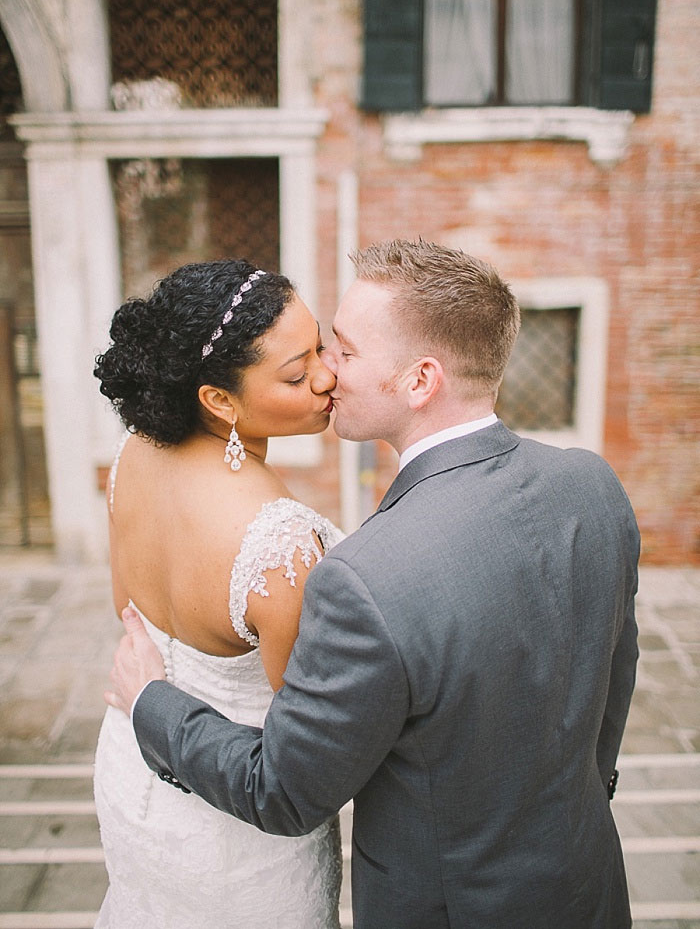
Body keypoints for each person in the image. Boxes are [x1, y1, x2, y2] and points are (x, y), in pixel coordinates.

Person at [107, 239, 640, 929]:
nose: (329, 372)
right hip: (588, 881)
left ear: (420, 381)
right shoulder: (594, 486)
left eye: (346, 352)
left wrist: (152, 702)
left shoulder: (363, 579)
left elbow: (286, 792)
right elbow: (611, 687)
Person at [92, 258, 343, 928]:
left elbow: (129, 610)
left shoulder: (132, 453)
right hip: (239, 830)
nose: (327, 376)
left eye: (321, 345)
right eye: (296, 373)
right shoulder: (280, 547)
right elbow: (306, 746)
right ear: (220, 401)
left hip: (132, 769)